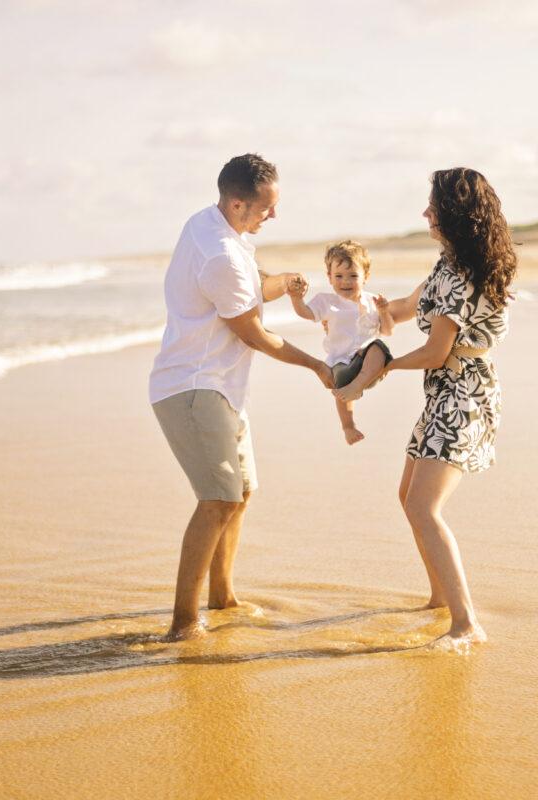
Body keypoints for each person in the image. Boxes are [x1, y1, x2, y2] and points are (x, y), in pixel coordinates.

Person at [149, 153, 334, 641]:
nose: (272, 216)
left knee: (241, 493)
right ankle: (184, 624)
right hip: (192, 388)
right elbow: (254, 332)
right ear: (237, 204)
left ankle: (222, 597)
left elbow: (249, 292)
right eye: (266, 208)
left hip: (222, 387)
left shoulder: (216, 228)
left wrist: (285, 282)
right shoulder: (221, 255)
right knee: (216, 500)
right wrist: (316, 364)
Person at [381, 167, 516, 647]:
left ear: (453, 214)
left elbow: (436, 352)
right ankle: (440, 598)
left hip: (462, 395)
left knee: (424, 506)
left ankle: (466, 624)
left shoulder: (461, 274)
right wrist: (352, 306)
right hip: (444, 393)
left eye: (432, 206)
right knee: (408, 497)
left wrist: (382, 368)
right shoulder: (447, 263)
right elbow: (401, 309)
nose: (425, 213)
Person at [287, 239, 394, 445]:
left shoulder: (373, 301)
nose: (346, 281)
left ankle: (358, 385)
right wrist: (296, 298)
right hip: (341, 364)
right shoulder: (326, 301)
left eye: (353, 276)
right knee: (340, 382)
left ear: (366, 277)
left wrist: (383, 311)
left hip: (370, 365)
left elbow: (387, 331)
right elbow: (306, 313)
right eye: (339, 276)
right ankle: (348, 426)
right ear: (329, 277)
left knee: (378, 346)